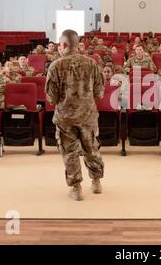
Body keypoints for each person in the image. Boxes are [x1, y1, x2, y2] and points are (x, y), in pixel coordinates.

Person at [45, 29, 105, 201]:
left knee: (69, 152)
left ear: (63, 45)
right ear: (77, 45)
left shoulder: (55, 66)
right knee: (91, 148)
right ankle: (96, 182)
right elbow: (100, 93)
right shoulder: (92, 63)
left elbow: (51, 98)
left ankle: (76, 188)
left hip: (65, 118)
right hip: (88, 116)